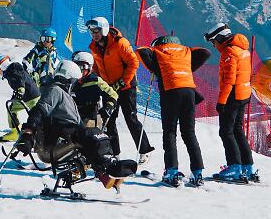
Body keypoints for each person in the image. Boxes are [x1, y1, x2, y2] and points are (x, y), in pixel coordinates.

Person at [16, 60, 137, 189]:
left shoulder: (63, 94)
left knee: (93, 137)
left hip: (65, 137)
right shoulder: (55, 91)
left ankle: (106, 174)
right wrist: (28, 134)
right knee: (93, 135)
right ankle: (111, 167)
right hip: (55, 144)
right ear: (70, 79)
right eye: (74, 81)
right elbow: (39, 110)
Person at [137, 36, 210, 186]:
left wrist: (155, 67)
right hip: (189, 91)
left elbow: (141, 51)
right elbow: (205, 53)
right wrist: (187, 68)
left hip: (171, 91)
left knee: (170, 132)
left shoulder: (159, 49)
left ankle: (171, 172)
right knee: (189, 133)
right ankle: (197, 173)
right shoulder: (184, 51)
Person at [86, 17, 154, 163]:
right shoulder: (93, 47)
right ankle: (114, 154)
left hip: (126, 87)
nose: (94, 35)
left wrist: (123, 81)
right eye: (92, 32)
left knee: (131, 118)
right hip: (109, 89)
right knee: (109, 120)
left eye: (97, 31)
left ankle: (144, 151)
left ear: (104, 30)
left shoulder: (120, 43)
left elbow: (133, 62)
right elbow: (96, 66)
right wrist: (97, 81)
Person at [204, 23, 258, 181]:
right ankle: (248, 168)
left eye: (213, 42)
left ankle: (234, 167)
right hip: (244, 94)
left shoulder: (229, 52)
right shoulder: (243, 49)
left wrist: (221, 102)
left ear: (220, 39)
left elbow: (229, 80)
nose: (214, 46)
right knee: (237, 130)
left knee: (226, 131)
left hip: (232, 96)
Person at [0, 55, 41, 142]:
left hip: (30, 97)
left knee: (30, 114)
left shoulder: (13, 70)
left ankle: (17, 133)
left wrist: (20, 89)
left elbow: (19, 79)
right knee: (14, 109)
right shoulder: (13, 69)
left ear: (2, 65)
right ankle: (18, 132)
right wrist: (16, 94)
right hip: (31, 95)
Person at [71, 51, 118, 127]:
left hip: (89, 118)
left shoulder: (96, 81)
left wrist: (108, 107)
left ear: (90, 67)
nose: (79, 70)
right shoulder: (70, 79)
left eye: (83, 67)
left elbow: (113, 94)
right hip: (71, 115)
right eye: (76, 66)